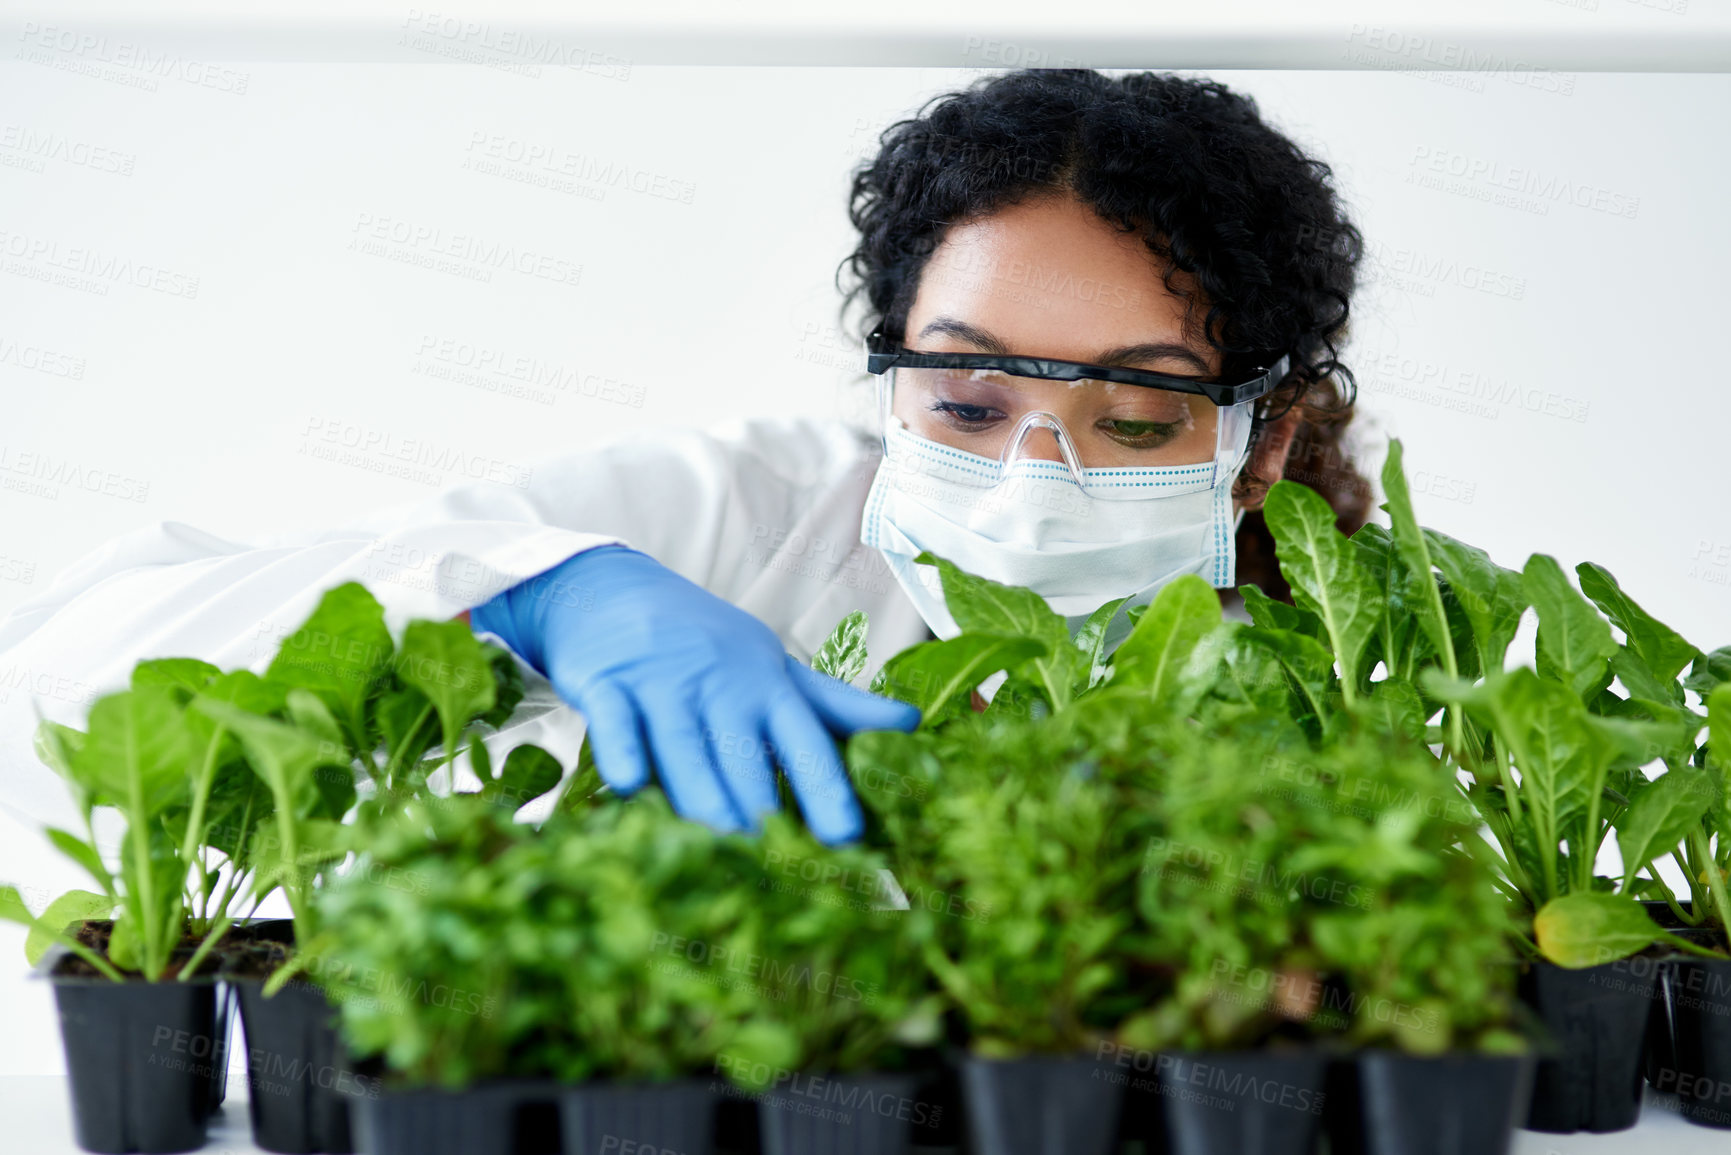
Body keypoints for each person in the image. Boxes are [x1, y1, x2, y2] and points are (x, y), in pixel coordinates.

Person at [0, 69, 1371, 847]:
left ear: (1262, 446)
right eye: (963, 400)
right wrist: (538, 591)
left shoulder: (1362, 664)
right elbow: (64, 674)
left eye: (1136, 416)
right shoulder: (739, 513)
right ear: (892, 378)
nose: (1030, 475)